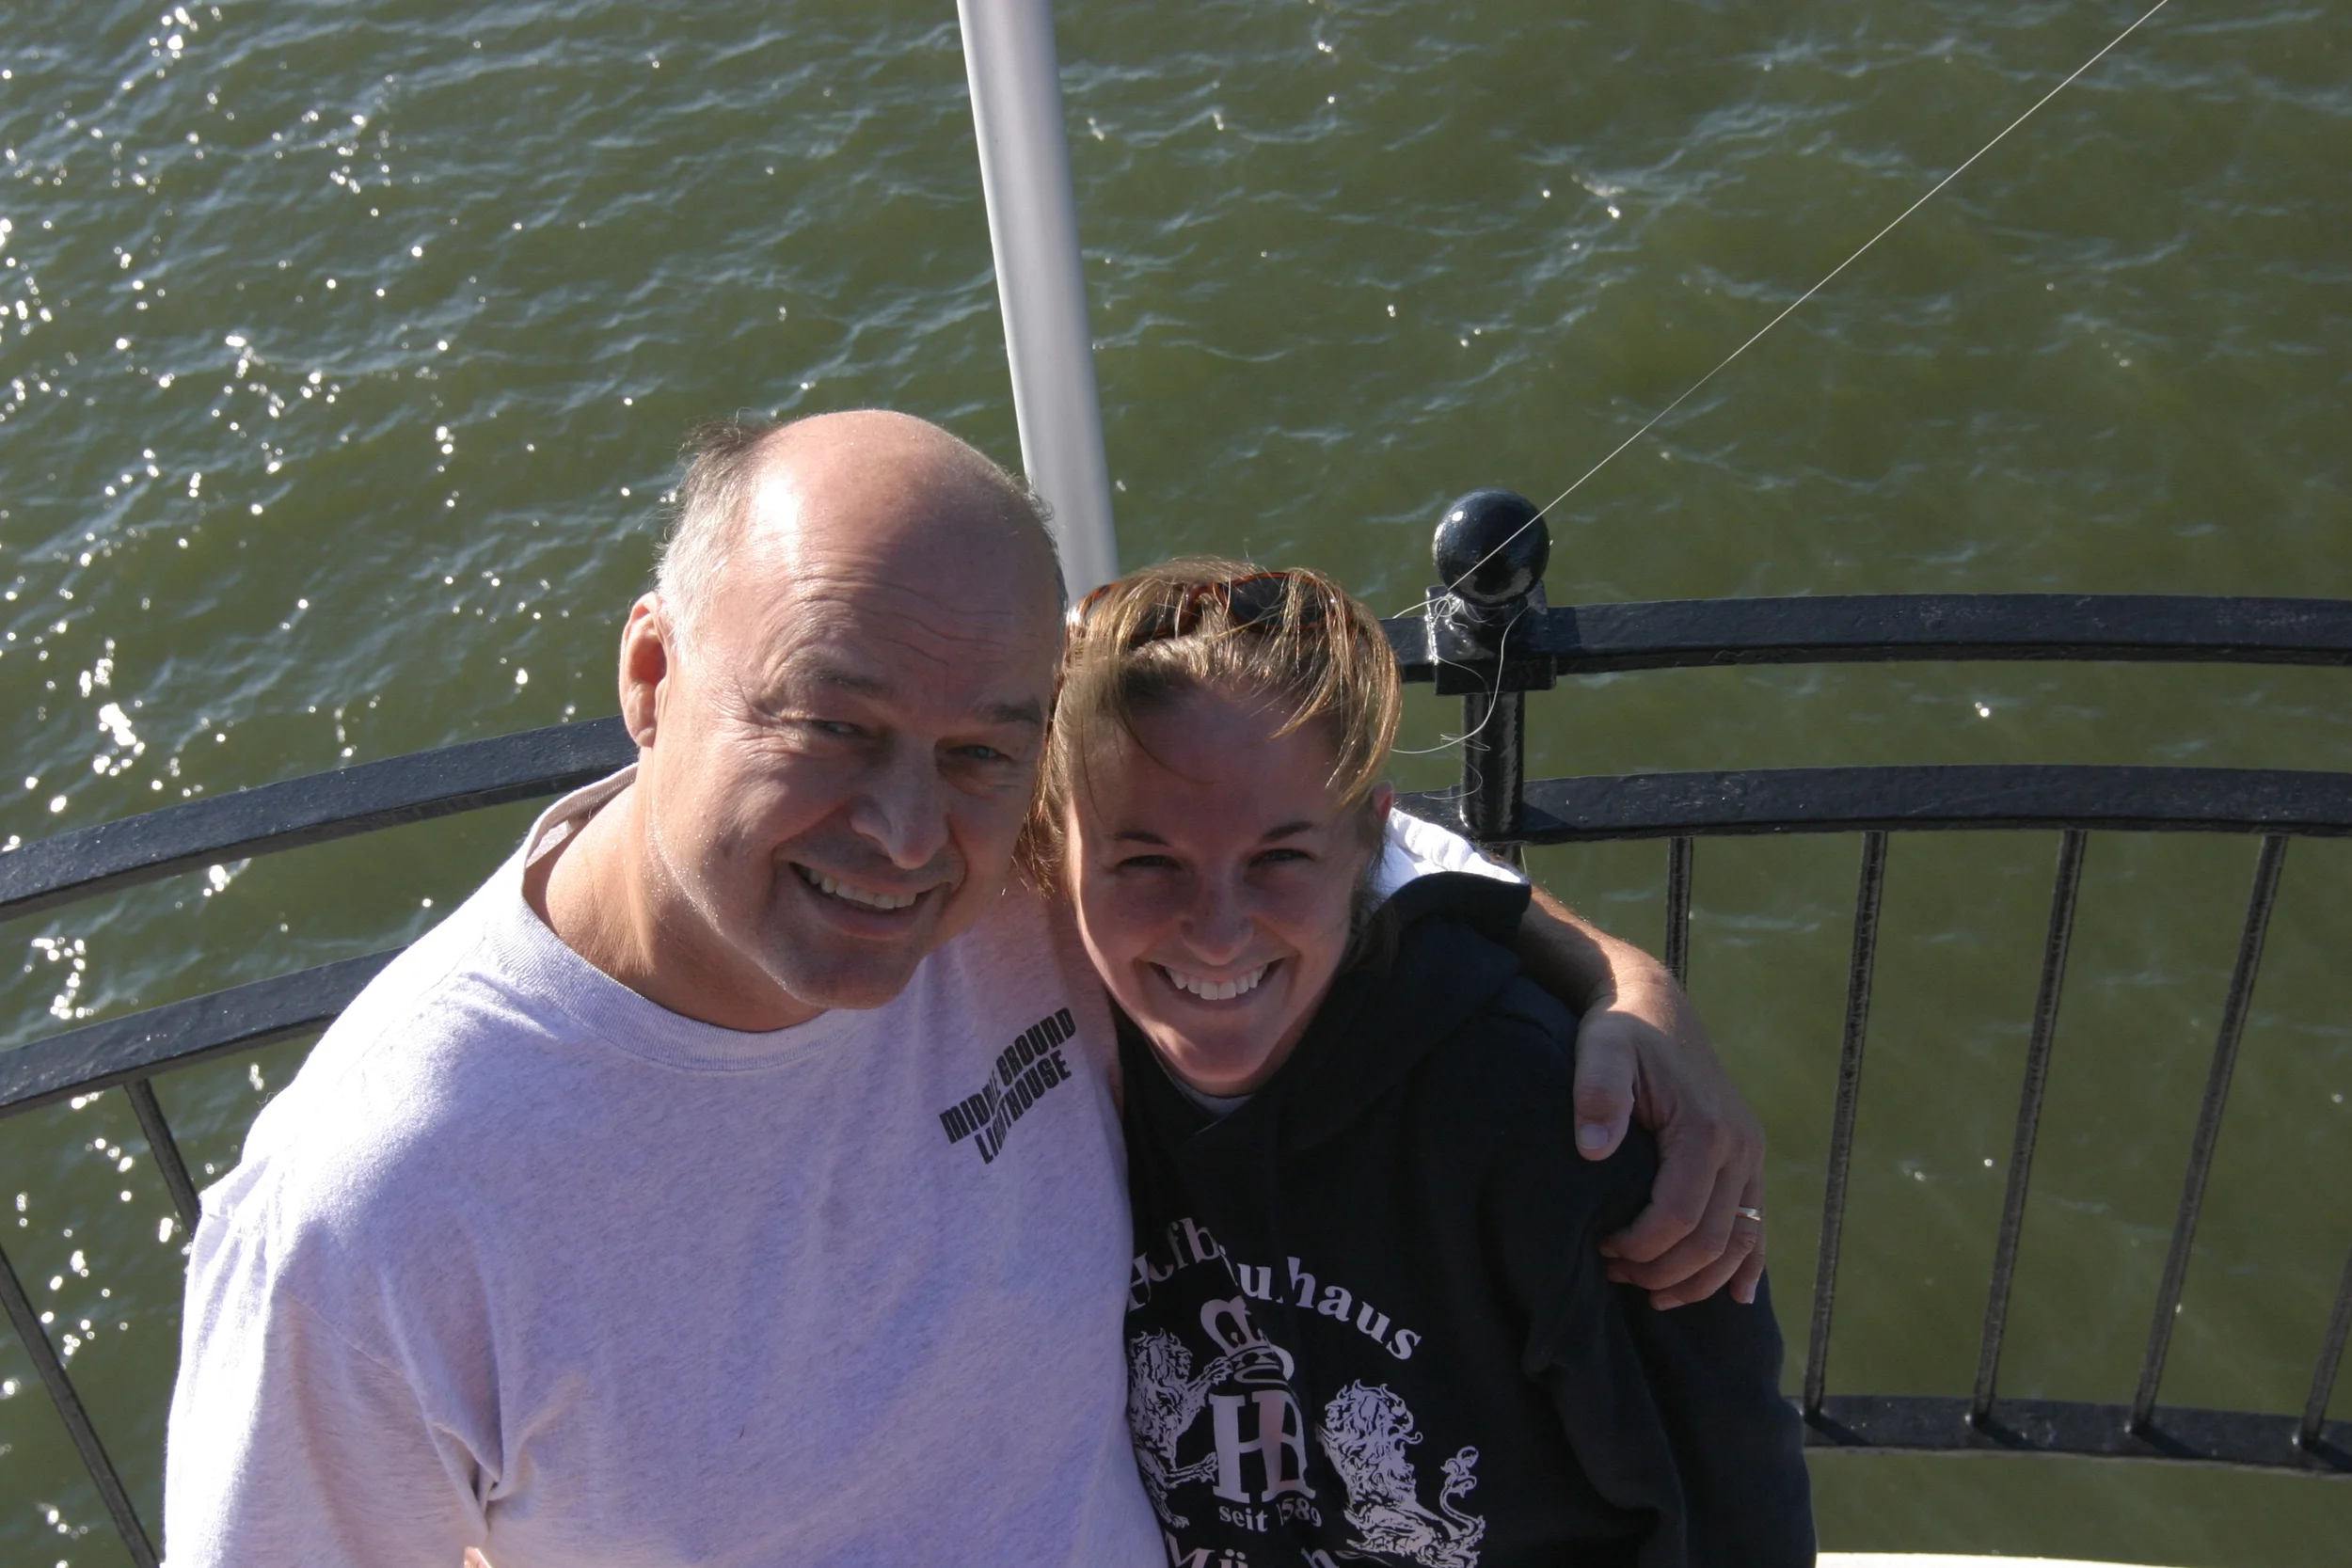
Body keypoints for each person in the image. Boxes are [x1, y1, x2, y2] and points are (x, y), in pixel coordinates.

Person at [163, 411, 1765, 1566]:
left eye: (979, 750)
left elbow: (1299, 841)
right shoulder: (377, 1205)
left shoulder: (1020, 872)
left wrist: (1615, 972)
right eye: (828, 725)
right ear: (649, 675)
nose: (904, 835)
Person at [1042, 562, 1811, 1565]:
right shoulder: (1040, 1046)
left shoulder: (1547, 1110)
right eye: (1145, 862)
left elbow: (1726, 1492)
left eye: (1281, 857)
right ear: (1050, 847)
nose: (1217, 932)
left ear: (1368, 837)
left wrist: (1630, 983)